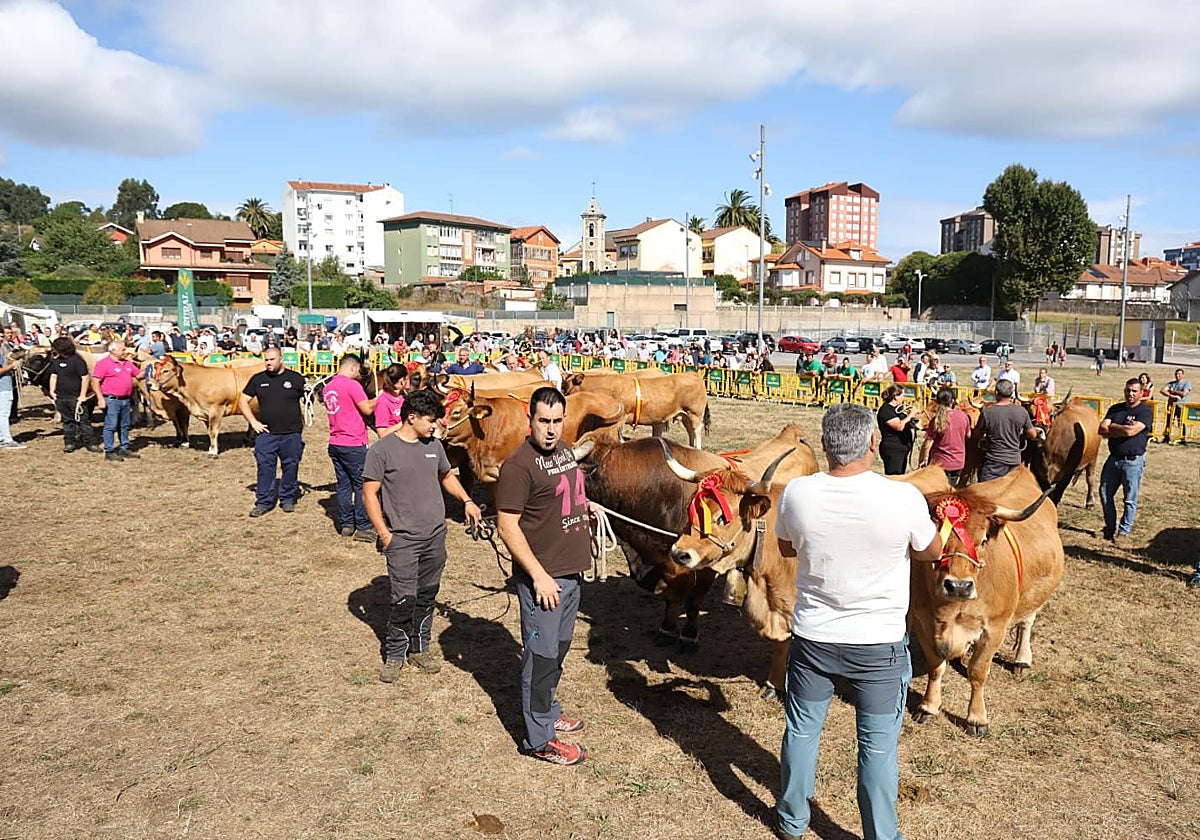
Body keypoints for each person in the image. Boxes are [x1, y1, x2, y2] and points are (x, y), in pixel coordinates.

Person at [773, 403, 941, 840]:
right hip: (878, 645)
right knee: (878, 747)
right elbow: (932, 551)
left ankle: (792, 819)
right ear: (873, 443)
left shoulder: (797, 493)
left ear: (826, 444)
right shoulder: (903, 497)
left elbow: (788, 549)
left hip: (813, 637)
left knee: (802, 731)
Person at [496, 387, 593, 766]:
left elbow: (567, 497)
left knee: (559, 650)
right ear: (529, 420)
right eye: (543, 421)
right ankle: (538, 737)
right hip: (546, 581)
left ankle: (548, 710)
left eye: (556, 421)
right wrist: (538, 576)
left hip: (571, 576)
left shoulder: (565, 451)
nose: (551, 430)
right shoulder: (518, 466)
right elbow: (507, 526)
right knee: (540, 656)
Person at [362, 389, 481, 681]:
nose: (435, 426)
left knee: (427, 595)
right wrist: (385, 534)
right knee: (404, 598)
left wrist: (466, 501)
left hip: (435, 538)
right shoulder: (382, 450)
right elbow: (369, 495)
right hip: (402, 540)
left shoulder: (434, 446)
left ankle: (419, 648)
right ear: (411, 418)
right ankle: (395, 654)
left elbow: (446, 476)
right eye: (431, 420)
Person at [239, 347, 306, 517]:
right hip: (267, 434)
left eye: (272, 359)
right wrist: (253, 422)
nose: (268, 363)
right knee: (265, 467)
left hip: (291, 433)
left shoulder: (295, 378)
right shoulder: (258, 379)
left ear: (281, 359)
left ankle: (288, 498)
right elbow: (243, 401)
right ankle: (264, 502)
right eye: (266, 360)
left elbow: (306, 397)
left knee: (290, 466)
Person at [324, 354, 378, 540]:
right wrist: (381, 397)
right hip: (353, 443)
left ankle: (346, 523)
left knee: (344, 485)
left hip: (335, 442)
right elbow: (367, 409)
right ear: (353, 367)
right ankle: (363, 526)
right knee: (363, 485)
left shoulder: (329, 386)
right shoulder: (352, 385)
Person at [1099, 378, 1153, 547]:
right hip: (1113, 459)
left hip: (1133, 461)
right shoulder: (1115, 409)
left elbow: (1132, 431)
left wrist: (1113, 428)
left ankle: (1123, 532)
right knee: (1105, 494)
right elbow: (1101, 429)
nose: (1130, 394)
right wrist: (1122, 429)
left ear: (1141, 393)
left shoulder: (1145, 411)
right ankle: (1109, 528)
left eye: (1134, 391)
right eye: (1128, 390)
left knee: (1129, 499)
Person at [976, 378, 1040, 482]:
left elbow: (977, 434)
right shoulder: (1021, 411)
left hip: (993, 462)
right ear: (1011, 393)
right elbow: (1033, 435)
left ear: (996, 393)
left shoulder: (987, 412)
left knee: (987, 495)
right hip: (1014, 462)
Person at [91, 341, 142, 462]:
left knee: (124, 425)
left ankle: (124, 448)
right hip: (112, 400)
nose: (125, 352)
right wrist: (100, 398)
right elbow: (95, 381)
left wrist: (151, 369)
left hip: (126, 400)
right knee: (111, 425)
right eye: (123, 350)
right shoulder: (103, 364)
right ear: (113, 351)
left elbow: (139, 375)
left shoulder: (127, 363)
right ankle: (109, 451)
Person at [48, 336, 100, 453]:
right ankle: (69, 443)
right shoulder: (56, 362)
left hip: (76, 398)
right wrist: (52, 391)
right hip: (62, 397)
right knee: (67, 422)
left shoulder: (77, 361)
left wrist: (82, 395)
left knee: (84, 422)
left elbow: (85, 378)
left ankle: (90, 442)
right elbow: (54, 376)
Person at [920, 387, 971, 485]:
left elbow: (927, 444)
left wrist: (922, 461)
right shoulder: (963, 416)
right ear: (952, 401)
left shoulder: (936, 420)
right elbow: (968, 435)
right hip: (958, 462)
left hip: (939, 463)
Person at [876, 384, 917, 475]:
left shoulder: (899, 409)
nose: (904, 397)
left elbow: (906, 423)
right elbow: (899, 426)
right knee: (894, 476)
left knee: (901, 475)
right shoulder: (886, 410)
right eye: (902, 395)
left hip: (902, 448)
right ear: (895, 396)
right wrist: (911, 415)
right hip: (893, 449)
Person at [0, 337, 25, 450]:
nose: (1, 339)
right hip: (3, 387)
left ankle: (2, 438)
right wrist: (12, 366)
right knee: (4, 414)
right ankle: (7, 440)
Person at [373, 364, 409, 438]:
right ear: (402, 380)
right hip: (393, 443)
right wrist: (404, 423)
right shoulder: (383, 402)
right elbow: (382, 434)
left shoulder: (404, 397)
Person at [1160, 369, 1192, 443]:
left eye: (1179, 374)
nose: (1177, 375)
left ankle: (1182, 438)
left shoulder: (1186, 383)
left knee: (1181, 422)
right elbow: (1162, 390)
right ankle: (1166, 437)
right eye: (1176, 374)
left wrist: (1173, 391)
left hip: (1181, 405)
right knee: (1168, 422)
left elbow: (1184, 393)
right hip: (1171, 405)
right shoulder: (1171, 383)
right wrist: (1171, 395)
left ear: (1183, 375)